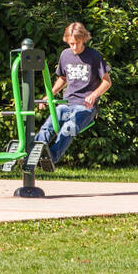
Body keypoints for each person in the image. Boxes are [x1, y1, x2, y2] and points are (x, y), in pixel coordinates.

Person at [34, 21, 111, 170]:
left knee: (69, 128)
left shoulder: (94, 56)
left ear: (84, 39)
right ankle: (33, 154)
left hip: (85, 106)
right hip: (66, 103)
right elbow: (62, 78)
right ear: (67, 41)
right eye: (71, 44)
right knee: (48, 126)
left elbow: (107, 82)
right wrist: (48, 97)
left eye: (77, 43)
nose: (74, 47)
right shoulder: (65, 55)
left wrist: (94, 95)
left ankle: (50, 158)